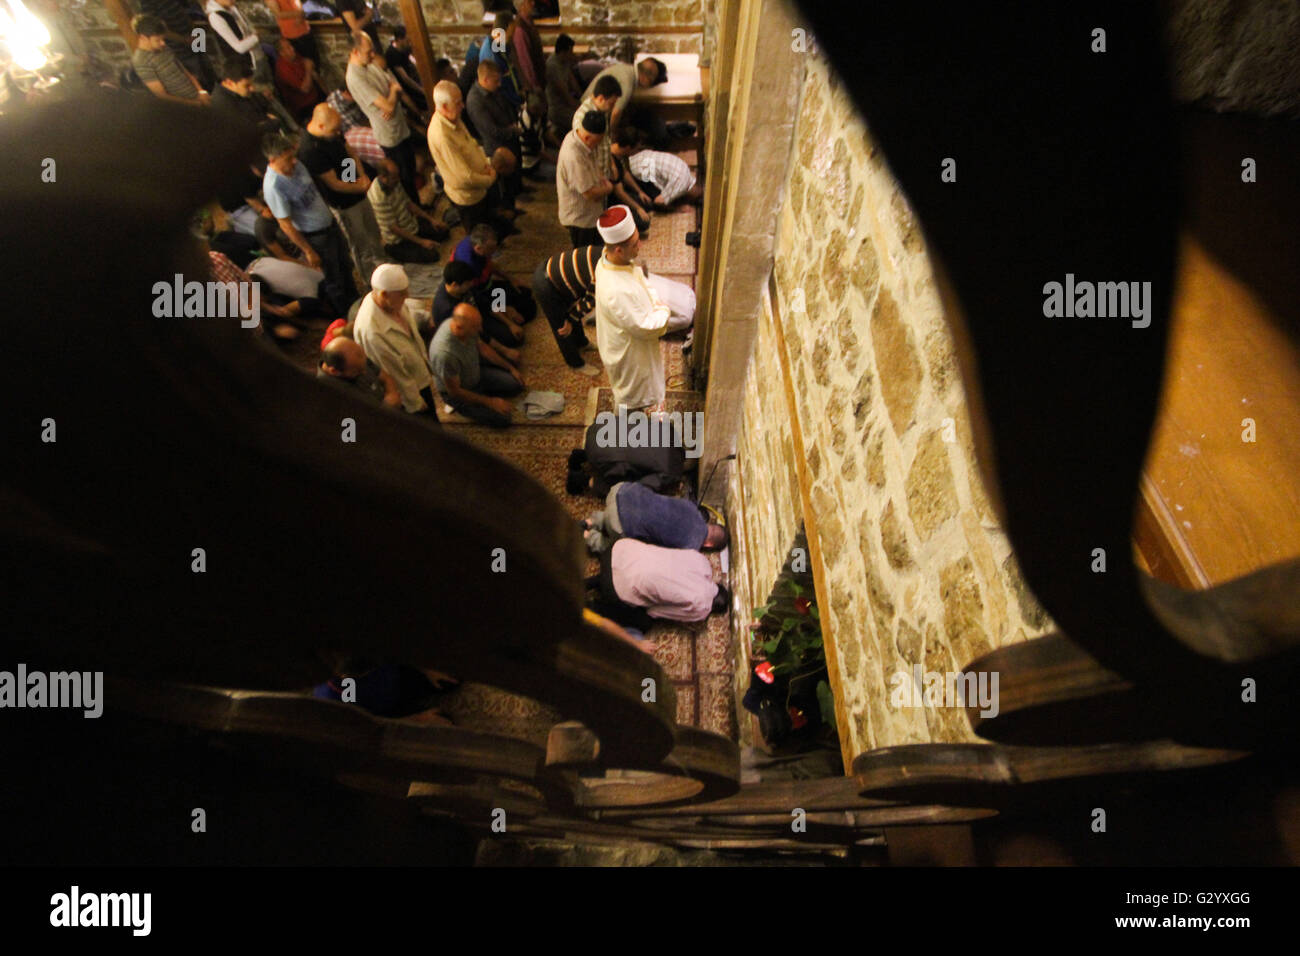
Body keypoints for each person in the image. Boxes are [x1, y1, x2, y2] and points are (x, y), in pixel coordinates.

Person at [592, 205, 695, 412]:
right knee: (633, 399)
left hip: (628, 337)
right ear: (619, 250)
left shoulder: (609, 257)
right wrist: (663, 310)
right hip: (628, 353)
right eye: (634, 243)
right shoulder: (616, 290)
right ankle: (627, 433)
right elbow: (646, 326)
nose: (640, 244)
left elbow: (640, 279)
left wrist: (655, 302)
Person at [262, 131, 358, 316]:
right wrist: (308, 250)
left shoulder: (297, 166)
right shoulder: (273, 186)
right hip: (316, 237)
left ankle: (356, 301)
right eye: (288, 159)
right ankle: (347, 315)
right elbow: (286, 224)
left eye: (293, 157)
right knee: (334, 279)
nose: (294, 162)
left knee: (345, 265)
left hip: (330, 224)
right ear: (273, 160)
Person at [298, 102, 387, 291]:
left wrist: (360, 176)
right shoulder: (310, 150)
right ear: (321, 126)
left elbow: (348, 153)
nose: (338, 133)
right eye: (334, 130)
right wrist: (358, 187)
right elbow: (333, 183)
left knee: (372, 229)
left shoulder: (332, 133)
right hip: (343, 203)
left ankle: (382, 262)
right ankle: (370, 279)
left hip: (354, 187)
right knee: (359, 241)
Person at [351, 263, 440, 417]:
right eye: (402, 294)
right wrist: (416, 403)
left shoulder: (391, 302)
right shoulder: (372, 332)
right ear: (384, 294)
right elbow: (394, 375)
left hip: (417, 373)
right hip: (410, 391)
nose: (407, 296)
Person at [346, 33, 424, 204]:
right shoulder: (355, 77)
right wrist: (392, 94)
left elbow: (395, 89)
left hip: (399, 127)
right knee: (404, 180)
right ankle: (416, 216)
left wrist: (392, 95)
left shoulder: (370, 64)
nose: (373, 55)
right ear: (355, 52)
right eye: (368, 52)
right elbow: (389, 104)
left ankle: (420, 209)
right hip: (389, 136)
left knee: (411, 171)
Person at [586, 537, 729, 628]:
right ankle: (593, 607)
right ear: (713, 609)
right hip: (615, 588)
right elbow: (661, 612)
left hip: (618, 550)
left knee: (643, 567)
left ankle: (593, 581)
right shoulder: (702, 608)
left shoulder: (703, 562)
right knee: (644, 622)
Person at [427, 80, 507, 235]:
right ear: (444, 107)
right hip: (468, 196)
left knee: (490, 221)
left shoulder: (453, 118)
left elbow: (471, 145)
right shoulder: (442, 135)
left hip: (480, 187)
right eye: (458, 103)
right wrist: (490, 179)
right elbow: (463, 177)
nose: (462, 106)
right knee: (478, 233)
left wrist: (486, 164)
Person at [429, 303, 526, 429]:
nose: (480, 329)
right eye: (476, 327)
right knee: (503, 419)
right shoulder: (445, 354)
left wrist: (510, 368)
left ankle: (482, 395)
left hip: (474, 372)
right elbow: (455, 391)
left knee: (516, 385)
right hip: (460, 391)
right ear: (459, 328)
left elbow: (483, 348)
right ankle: (468, 404)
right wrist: (491, 403)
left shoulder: (465, 326)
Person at [583, 482, 728, 552]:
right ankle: (589, 537)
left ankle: (592, 520)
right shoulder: (691, 547)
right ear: (710, 544)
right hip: (620, 525)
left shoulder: (692, 507)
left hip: (619, 491)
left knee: (634, 509)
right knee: (621, 549)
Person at [450, 223, 536, 338]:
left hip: (488, 288)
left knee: (525, 293)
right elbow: (481, 300)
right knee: (515, 330)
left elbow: (490, 266)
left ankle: (511, 311)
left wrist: (511, 279)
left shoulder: (475, 244)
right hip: (480, 301)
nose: (495, 250)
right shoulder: (468, 268)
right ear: (479, 248)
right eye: (491, 248)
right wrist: (505, 313)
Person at [431, 261, 521, 365]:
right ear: (455, 285)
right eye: (468, 283)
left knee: (514, 337)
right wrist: (504, 350)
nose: (471, 284)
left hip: (478, 321)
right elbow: (474, 338)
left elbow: (485, 304)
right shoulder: (447, 309)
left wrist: (510, 324)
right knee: (508, 360)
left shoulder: (462, 287)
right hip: (467, 339)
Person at [531, 244, 601, 373]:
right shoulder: (603, 273)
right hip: (546, 284)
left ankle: (581, 342)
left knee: (574, 312)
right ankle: (575, 363)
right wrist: (570, 320)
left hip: (560, 277)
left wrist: (573, 317)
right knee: (562, 327)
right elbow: (590, 300)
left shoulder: (609, 254)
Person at [465, 60, 523, 213]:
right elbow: (490, 130)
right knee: (501, 187)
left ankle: (513, 205)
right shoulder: (475, 101)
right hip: (496, 147)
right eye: (496, 81)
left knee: (512, 181)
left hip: (509, 140)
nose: (499, 84)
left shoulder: (493, 90)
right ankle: (506, 212)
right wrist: (512, 130)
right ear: (485, 80)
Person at [368, 158, 449, 263]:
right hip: (398, 239)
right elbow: (394, 228)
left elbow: (408, 203)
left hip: (411, 225)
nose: (398, 179)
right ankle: (394, 250)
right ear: (383, 178)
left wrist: (431, 220)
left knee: (444, 232)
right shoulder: (378, 198)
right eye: (394, 177)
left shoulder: (394, 182)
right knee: (433, 256)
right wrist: (421, 242)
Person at [557, 110, 613, 247]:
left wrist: (601, 178)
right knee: (585, 258)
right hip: (580, 220)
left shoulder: (577, 136)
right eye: (597, 142)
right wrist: (609, 188)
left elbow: (595, 164)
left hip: (592, 213)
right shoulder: (573, 156)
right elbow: (589, 193)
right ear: (588, 137)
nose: (598, 145)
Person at [130, 15, 209, 107]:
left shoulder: (163, 47)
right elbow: (161, 95)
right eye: (157, 40)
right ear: (143, 38)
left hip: (196, 95)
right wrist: (194, 104)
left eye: (162, 39)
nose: (163, 43)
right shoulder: (141, 61)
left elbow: (182, 69)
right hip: (185, 106)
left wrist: (200, 91)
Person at [612, 127, 702, 207]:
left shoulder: (686, 170)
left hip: (644, 165)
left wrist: (640, 192)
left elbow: (624, 172)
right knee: (649, 204)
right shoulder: (680, 185)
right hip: (638, 171)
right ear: (628, 148)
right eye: (636, 148)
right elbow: (658, 201)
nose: (636, 152)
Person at [138, 0, 216, 90]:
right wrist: (184, 39)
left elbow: (182, 10)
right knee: (198, 74)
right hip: (178, 45)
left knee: (207, 65)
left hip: (191, 33)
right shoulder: (148, 3)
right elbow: (158, 28)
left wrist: (193, 28)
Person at [317, 335, 402, 409]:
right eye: (357, 371)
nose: (365, 372)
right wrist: (386, 408)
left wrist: (392, 392)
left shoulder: (356, 358)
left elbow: (385, 376)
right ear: (335, 371)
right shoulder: (328, 394)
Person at [210, 59, 280, 136]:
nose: (252, 88)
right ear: (229, 83)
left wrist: (264, 99)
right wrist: (272, 124)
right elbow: (245, 133)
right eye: (247, 86)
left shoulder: (240, 91)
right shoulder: (222, 105)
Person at [204, 0, 268, 84]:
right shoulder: (216, 16)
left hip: (258, 56)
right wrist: (257, 36)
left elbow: (247, 29)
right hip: (247, 66)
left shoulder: (233, 8)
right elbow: (239, 47)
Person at [572, 73, 621, 180]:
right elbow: (582, 155)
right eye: (612, 103)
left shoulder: (602, 110)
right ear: (600, 98)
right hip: (592, 179)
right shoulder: (582, 118)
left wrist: (611, 165)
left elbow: (605, 142)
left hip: (603, 174)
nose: (613, 107)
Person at [327, 87, 386, 168]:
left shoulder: (356, 89)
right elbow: (356, 131)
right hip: (354, 143)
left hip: (366, 130)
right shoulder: (335, 104)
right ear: (346, 92)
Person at [273, 35, 324, 121]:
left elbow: (313, 73)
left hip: (315, 96)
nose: (292, 49)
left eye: (291, 45)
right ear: (282, 53)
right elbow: (305, 89)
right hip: (304, 106)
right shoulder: (283, 68)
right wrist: (308, 69)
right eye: (288, 48)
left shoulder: (295, 56)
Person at [545, 34, 582, 145]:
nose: (572, 54)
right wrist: (580, 108)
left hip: (566, 104)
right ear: (563, 52)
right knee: (581, 120)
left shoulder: (565, 61)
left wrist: (582, 96)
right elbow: (564, 94)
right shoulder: (552, 67)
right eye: (570, 51)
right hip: (557, 108)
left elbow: (572, 81)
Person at [384, 25, 428, 111]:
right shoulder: (392, 54)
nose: (410, 43)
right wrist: (421, 90)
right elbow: (405, 78)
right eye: (407, 40)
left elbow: (414, 62)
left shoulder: (405, 48)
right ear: (400, 39)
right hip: (406, 90)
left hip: (414, 82)